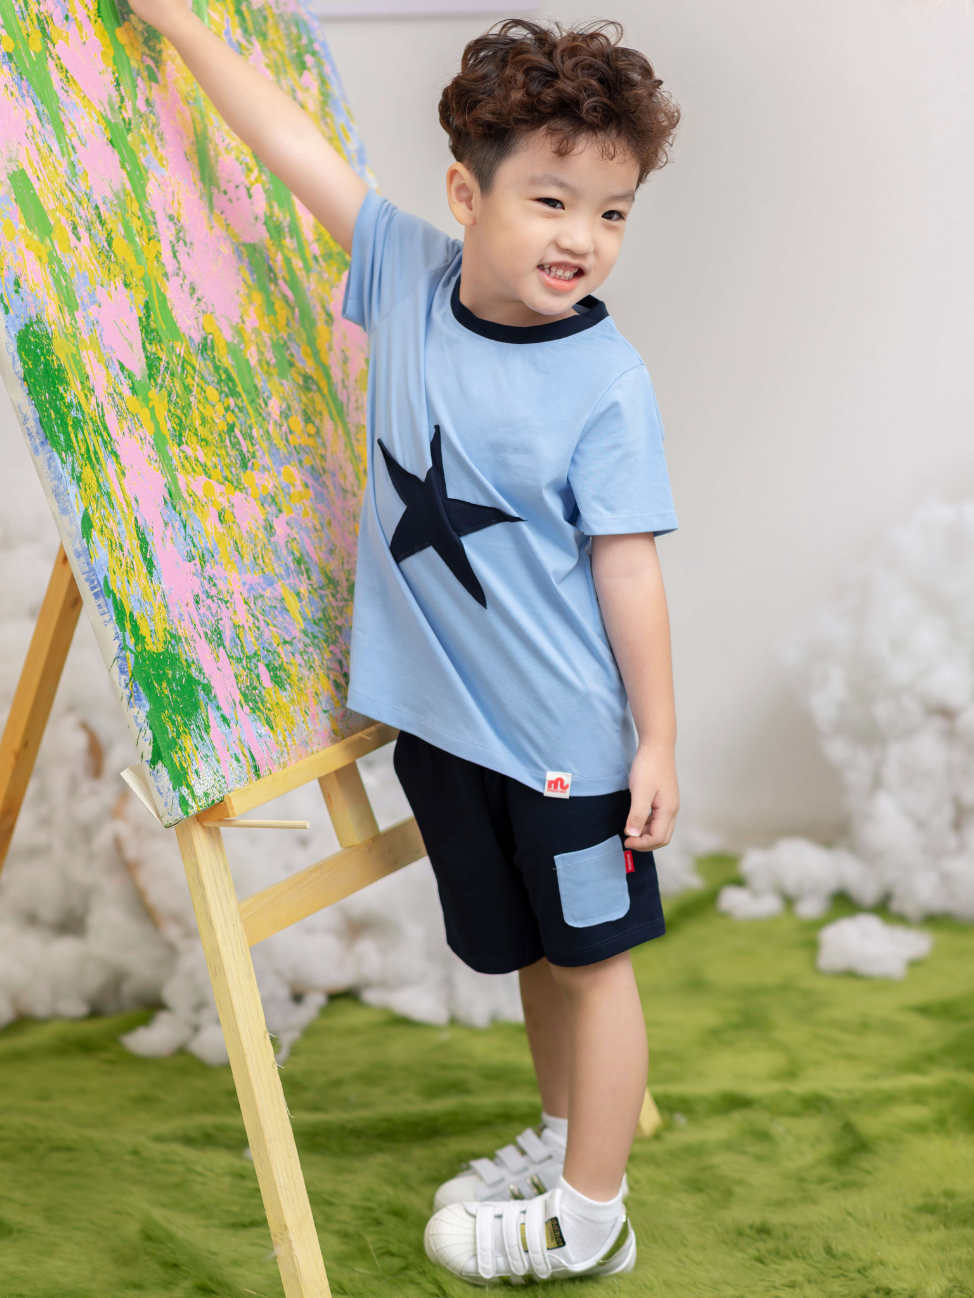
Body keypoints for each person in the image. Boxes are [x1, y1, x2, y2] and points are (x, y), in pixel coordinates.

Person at [128, 2, 682, 1283]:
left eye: (610, 212)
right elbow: (287, 144)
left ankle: (592, 1212)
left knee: (593, 968)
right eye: (551, 201)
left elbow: (628, 566)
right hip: (447, 730)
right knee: (532, 954)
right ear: (465, 194)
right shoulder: (402, 275)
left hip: (565, 746)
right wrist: (182, 26)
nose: (581, 237)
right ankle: (564, 1137)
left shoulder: (606, 382)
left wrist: (654, 738)